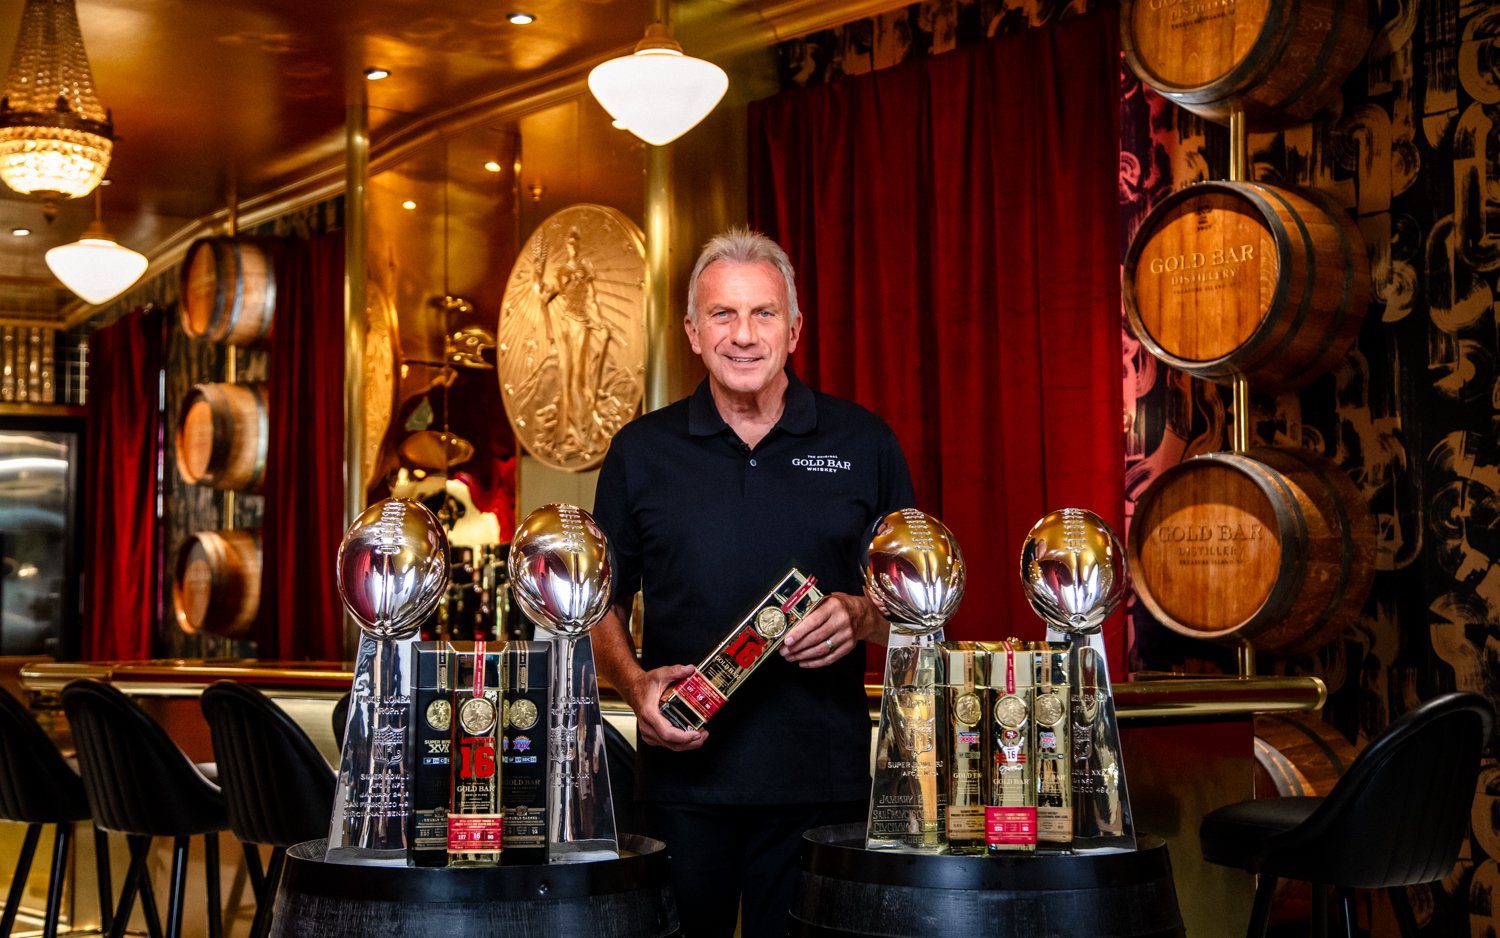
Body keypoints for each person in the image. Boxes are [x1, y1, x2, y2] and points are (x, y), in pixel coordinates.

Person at [591, 228, 916, 937]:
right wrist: (633, 682)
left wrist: (862, 615)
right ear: (693, 332)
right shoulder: (640, 452)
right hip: (682, 786)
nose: (743, 335)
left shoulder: (864, 443)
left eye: (763, 313)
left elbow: (918, 612)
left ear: (794, 329)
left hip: (821, 787)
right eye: (723, 315)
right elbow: (597, 607)